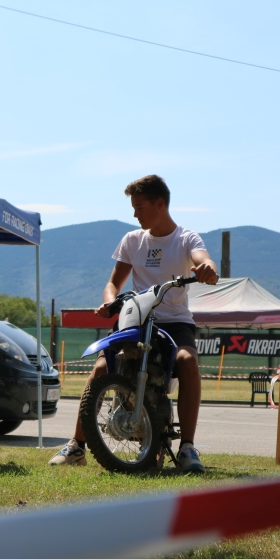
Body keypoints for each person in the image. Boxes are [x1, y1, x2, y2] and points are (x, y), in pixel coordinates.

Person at [48, 174, 219, 473]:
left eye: (139, 207)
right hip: (136, 318)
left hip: (173, 322)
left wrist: (208, 268)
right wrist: (109, 301)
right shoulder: (132, 240)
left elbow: (203, 259)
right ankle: (77, 446)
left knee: (188, 360)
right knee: (101, 367)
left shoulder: (186, 238)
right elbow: (113, 284)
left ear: (159, 204)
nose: (135, 214)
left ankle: (187, 447)